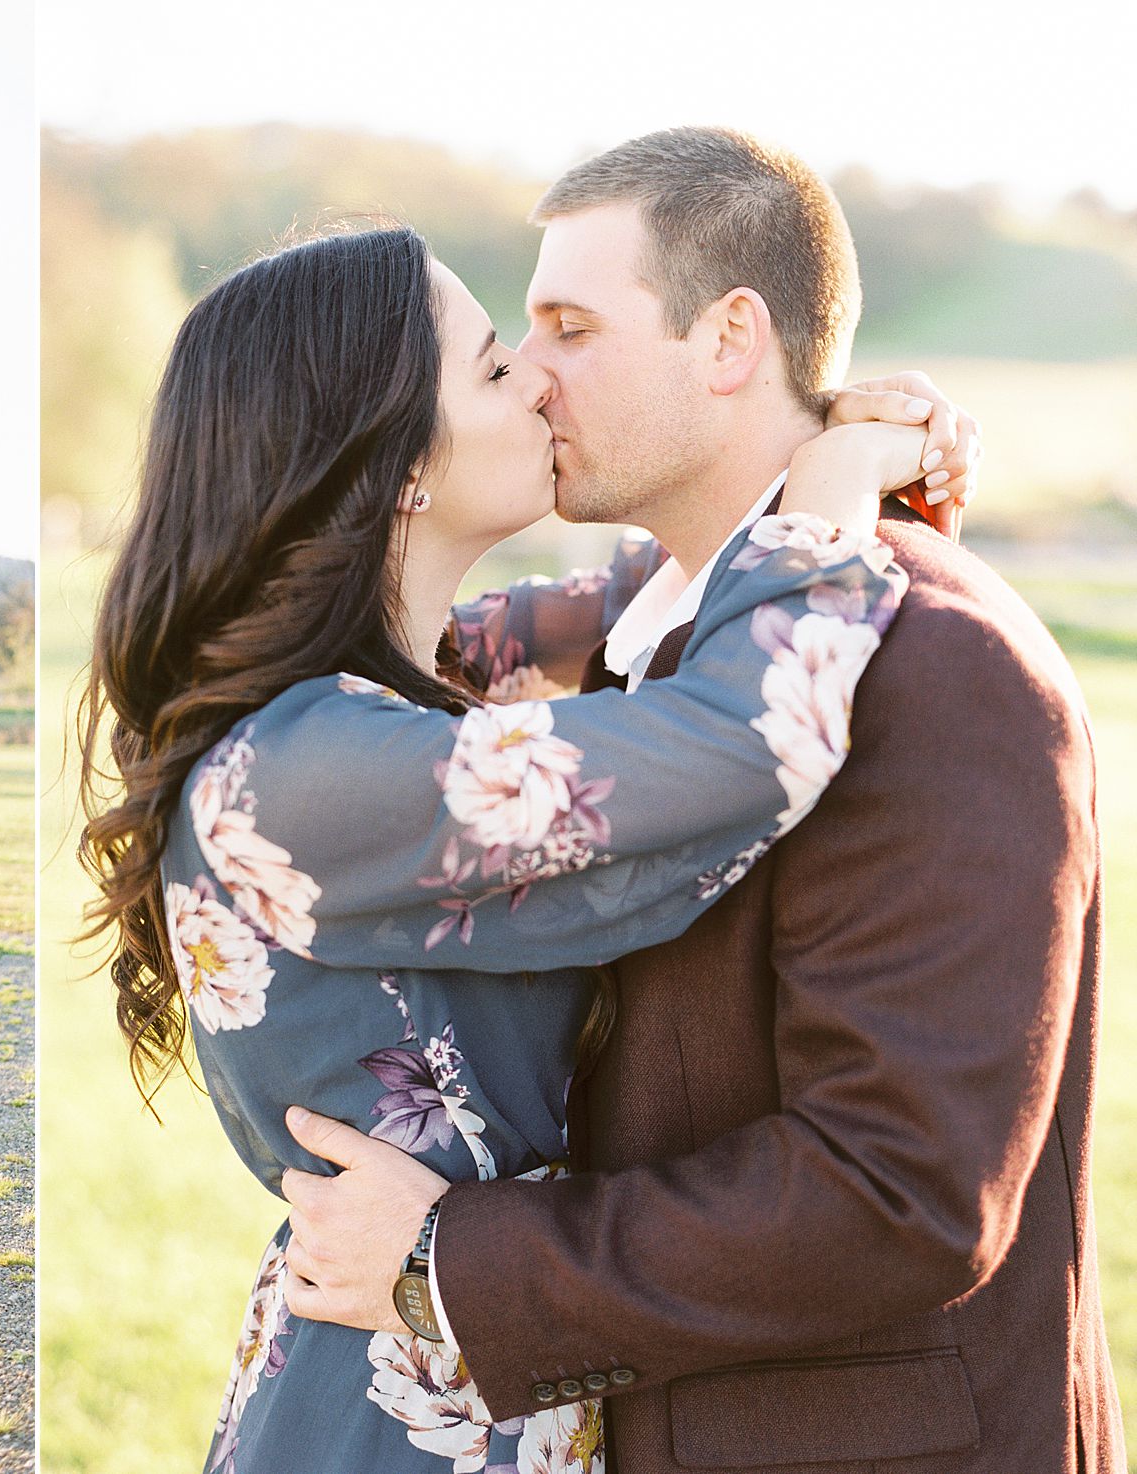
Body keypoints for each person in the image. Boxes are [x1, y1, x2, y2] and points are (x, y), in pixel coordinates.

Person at [280, 129, 1119, 1471]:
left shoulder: (936, 664)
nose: (531, 374)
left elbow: (899, 1191)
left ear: (729, 339)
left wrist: (451, 1258)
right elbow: (384, 649)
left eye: (569, 327)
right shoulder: (650, 641)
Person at [75, 210, 966, 1470]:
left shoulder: (409, 682)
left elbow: (653, 592)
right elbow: (738, 739)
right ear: (400, 464)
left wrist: (804, 434)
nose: (538, 380)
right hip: (401, 1405)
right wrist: (833, 489)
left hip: (485, 1354)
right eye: (495, 365)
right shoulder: (299, 776)